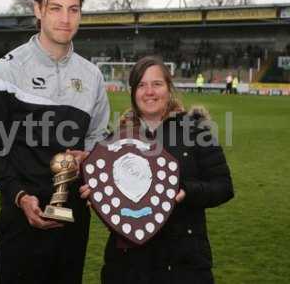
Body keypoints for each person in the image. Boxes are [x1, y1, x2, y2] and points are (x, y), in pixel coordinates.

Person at [0, 0, 110, 283]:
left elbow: (98, 140)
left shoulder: (92, 76)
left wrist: (90, 158)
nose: (65, 18)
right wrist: (20, 196)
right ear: (38, 10)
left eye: (73, 9)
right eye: (55, 8)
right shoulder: (7, 70)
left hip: (72, 223)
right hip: (21, 217)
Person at [80, 56, 234, 284]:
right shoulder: (114, 142)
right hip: (127, 264)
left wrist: (186, 191)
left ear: (169, 88)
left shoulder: (196, 132)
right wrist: (98, 196)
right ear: (133, 92)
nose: (149, 92)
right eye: (141, 85)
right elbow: (112, 205)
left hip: (184, 261)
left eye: (157, 84)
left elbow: (224, 186)